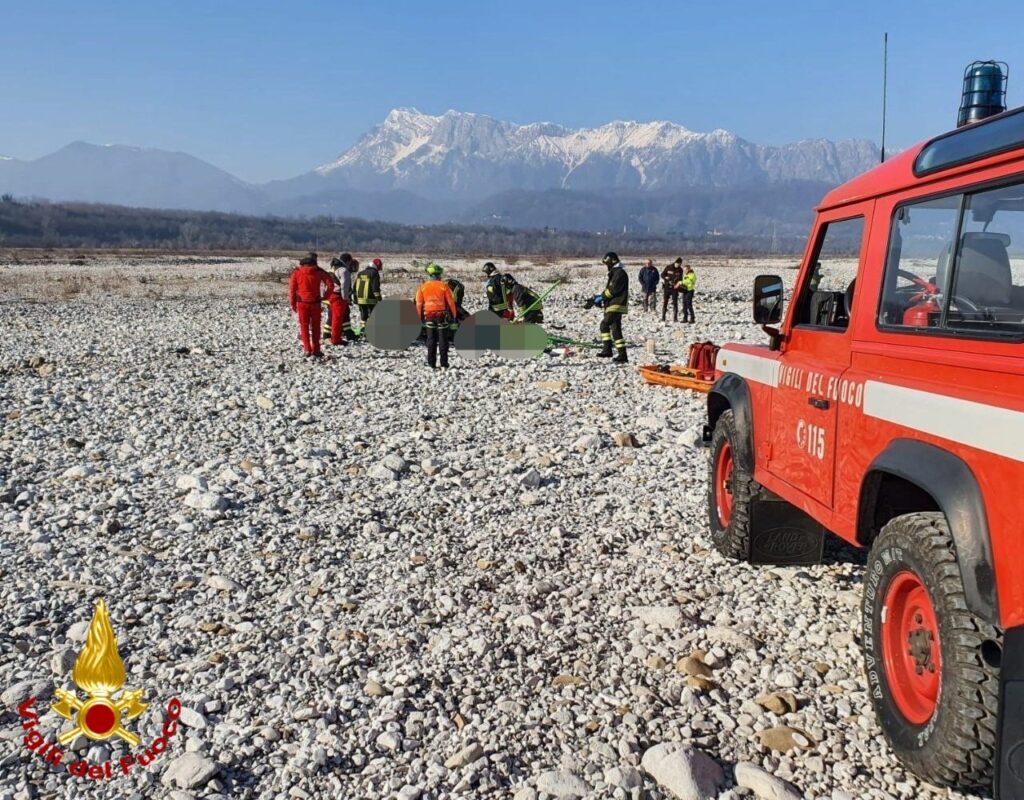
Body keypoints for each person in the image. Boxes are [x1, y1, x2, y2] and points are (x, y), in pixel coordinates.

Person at [288, 252, 333, 358]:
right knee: (316, 327)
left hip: (302, 303)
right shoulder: (318, 271)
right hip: (316, 303)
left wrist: (293, 304)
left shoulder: (297, 272)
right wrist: (325, 297)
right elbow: (330, 284)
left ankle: (307, 349)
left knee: (304, 327)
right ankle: (316, 349)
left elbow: (292, 290)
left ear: (302, 264)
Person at [588, 252, 629, 363]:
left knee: (604, 325)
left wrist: (601, 297)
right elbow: (609, 290)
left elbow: (612, 290)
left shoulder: (619, 273)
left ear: (612, 261)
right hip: (613, 305)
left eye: (607, 263)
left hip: (616, 305)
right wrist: (599, 298)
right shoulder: (615, 273)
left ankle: (607, 349)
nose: (607, 266)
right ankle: (622, 355)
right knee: (616, 330)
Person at [415, 263, 458, 369]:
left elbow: (419, 303)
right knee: (443, 340)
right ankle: (444, 364)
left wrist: (419, 318)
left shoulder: (423, 287)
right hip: (442, 316)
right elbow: (451, 302)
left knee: (431, 340)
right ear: (439, 274)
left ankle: (431, 363)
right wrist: (454, 316)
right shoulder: (444, 286)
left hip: (429, 316)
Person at [328, 252, 356, 340]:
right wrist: (346, 299)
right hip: (339, 297)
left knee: (333, 316)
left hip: (330, 295)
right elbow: (344, 286)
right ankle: (336, 338)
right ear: (348, 261)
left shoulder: (332, 268)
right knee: (338, 318)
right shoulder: (344, 270)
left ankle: (335, 334)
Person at [355, 257, 383, 322]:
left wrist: (355, 298)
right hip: (370, 300)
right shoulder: (374, 273)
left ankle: (363, 329)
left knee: (363, 317)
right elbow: (375, 288)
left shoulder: (361, 273)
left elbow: (355, 286)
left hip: (360, 300)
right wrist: (379, 299)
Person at [661, 257, 684, 322]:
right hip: (667, 287)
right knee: (665, 302)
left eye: (680, 264)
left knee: (675, 302)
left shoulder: (680, 270)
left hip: (675, 288)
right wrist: (666, 278)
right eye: (678, 264)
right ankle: (663, 317)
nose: (678, 265)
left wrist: (678, 283)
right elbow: (662, 274)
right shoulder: (668, 267)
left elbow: (680, 279)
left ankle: (675, 318)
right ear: (675, 262)